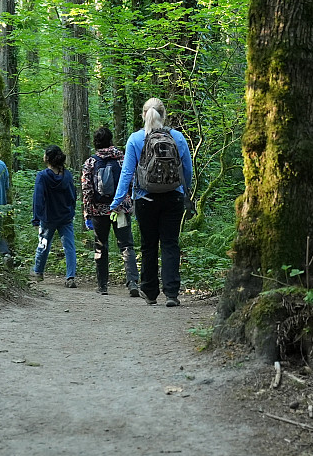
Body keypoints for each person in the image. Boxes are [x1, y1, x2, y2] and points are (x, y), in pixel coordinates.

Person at [108, 98, 193, 307]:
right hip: (173, 196)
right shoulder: (178, 138)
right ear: (163, 116)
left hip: (145, 198)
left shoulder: (136, 139)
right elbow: (187, 170)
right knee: (170, 243)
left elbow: (127, 173)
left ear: (143, 115)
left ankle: (151, 292)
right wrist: (184, 191)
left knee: (149, 245)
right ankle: (172, 293)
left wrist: (117, 201)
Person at [81, 126, 140, 296]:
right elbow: (131, 181)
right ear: (111, 140)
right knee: (126, 245)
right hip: (121, 209)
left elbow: (87, 190)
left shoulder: (90, 162)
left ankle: (102, 286)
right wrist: (129, 203)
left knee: (101, 245)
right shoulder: (122, 158)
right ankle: (132, 282)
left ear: (96, 142)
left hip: (99, 211)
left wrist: (88, 213)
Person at [31, 145, 78, 288]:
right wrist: (71, 210)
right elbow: (73, 195)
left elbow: (38, 199)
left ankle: (38, 272)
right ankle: (70, 276)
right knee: (69, 246)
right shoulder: (67, 175)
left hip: (48, 217)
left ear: (48, 158)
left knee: (43, 244)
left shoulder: (43, 176)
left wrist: (36, 219)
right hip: (65, 216)